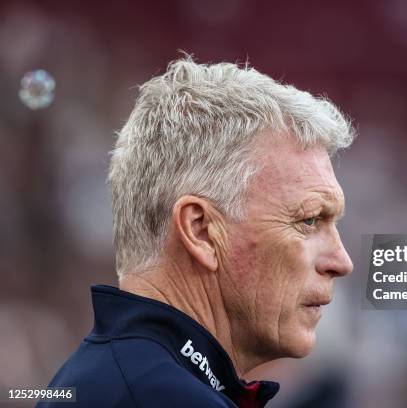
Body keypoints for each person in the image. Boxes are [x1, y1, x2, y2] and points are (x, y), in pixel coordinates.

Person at [37, 57, 355, 408]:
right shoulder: (164, 397)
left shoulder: (108, 379)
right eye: (309, 220)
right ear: (201, 231)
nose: (341, 261)